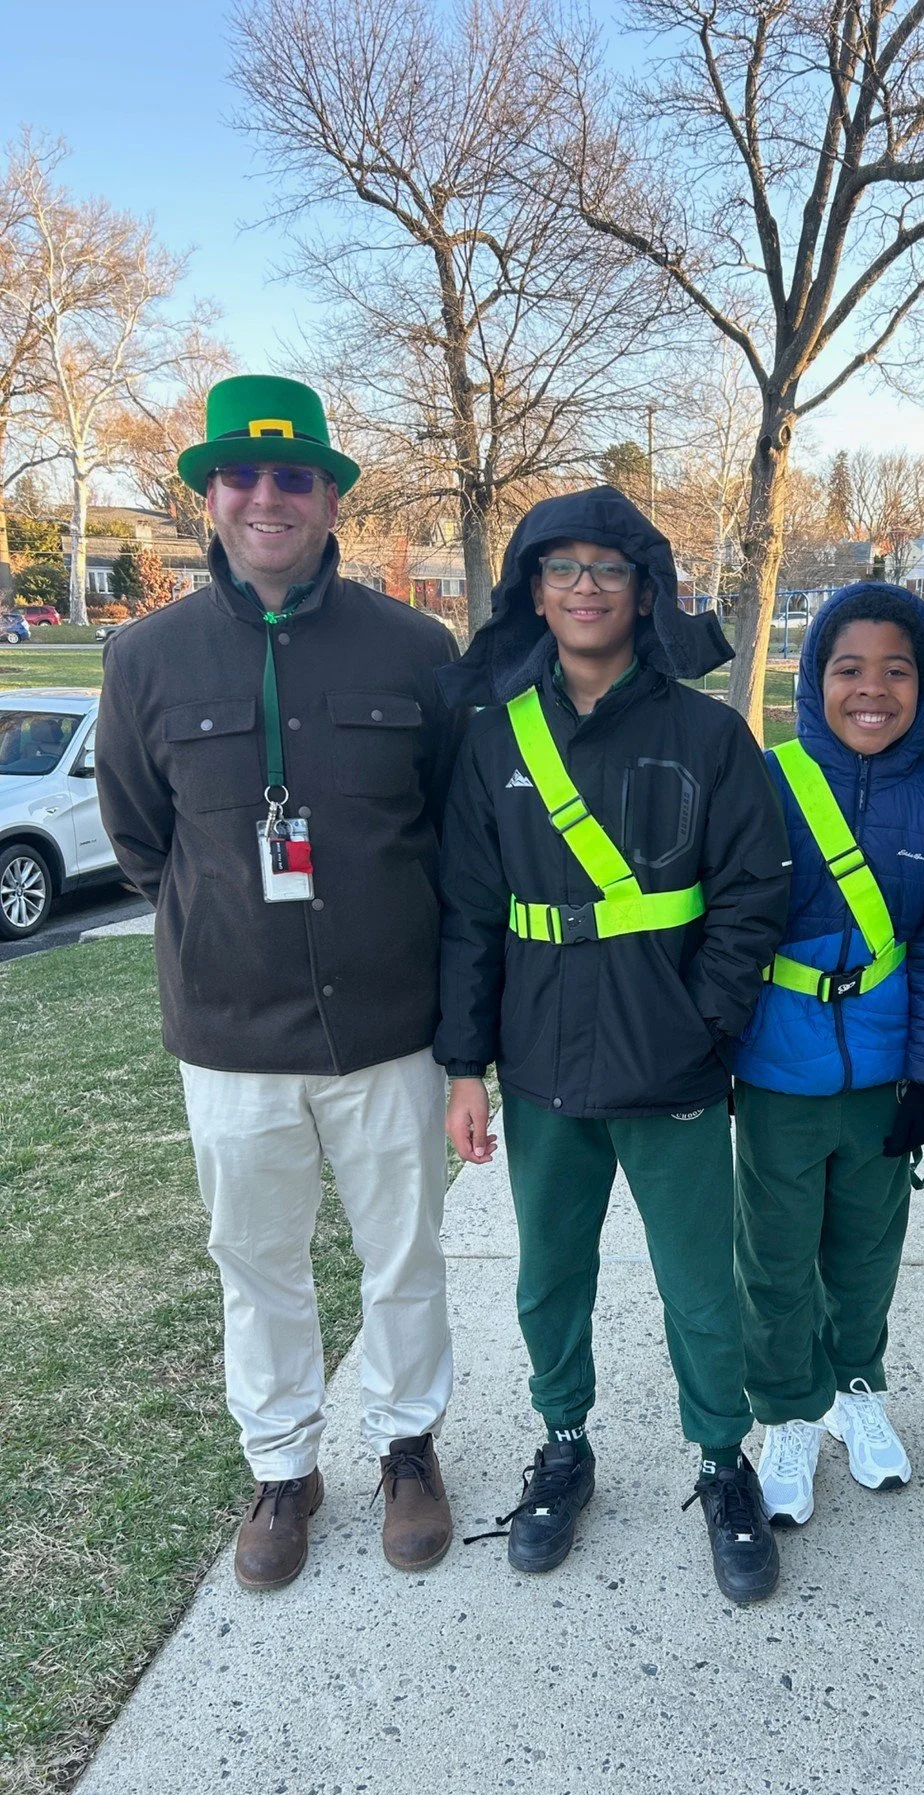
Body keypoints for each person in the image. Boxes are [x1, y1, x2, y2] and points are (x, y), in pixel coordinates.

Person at [96, 375, 464, 1591]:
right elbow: (144, 841)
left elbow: (452, 831)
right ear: (211, 493)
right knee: (256, 1264)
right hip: (231, 1037)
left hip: (387, 1032)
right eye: (243, 476)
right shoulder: (145, 656)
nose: (267, 498)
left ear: (329, 495)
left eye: (293, 476)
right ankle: (284, 1467)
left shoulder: (415, 648)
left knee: (402, 1256)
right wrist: (223, 932)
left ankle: (407, 1450)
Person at [435, 487, 792, 1605]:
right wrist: (463, 1067)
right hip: (541, 1066)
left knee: (700, 1285)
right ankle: (562, 1447)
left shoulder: (705, 733)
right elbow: (467, 911)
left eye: (608, 568)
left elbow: (752, 894)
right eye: (561, 567)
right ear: (531, 591)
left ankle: (720, 1463)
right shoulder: (494, 737)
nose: (584, 586)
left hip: (673, 1063)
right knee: (551, 1277)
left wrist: (708, 1022)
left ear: (647, 592)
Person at [730, 583, 924, 1525]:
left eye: (897, 670)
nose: (872, 690)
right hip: (779, 1073)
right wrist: (717, 1055)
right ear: (813, 679)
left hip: (883, 1077)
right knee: (778, 1254)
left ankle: (855, 1389)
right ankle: (787, 1410)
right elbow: (725, 927)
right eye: (848, 669)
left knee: (867, 1250)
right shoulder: (769, 778)